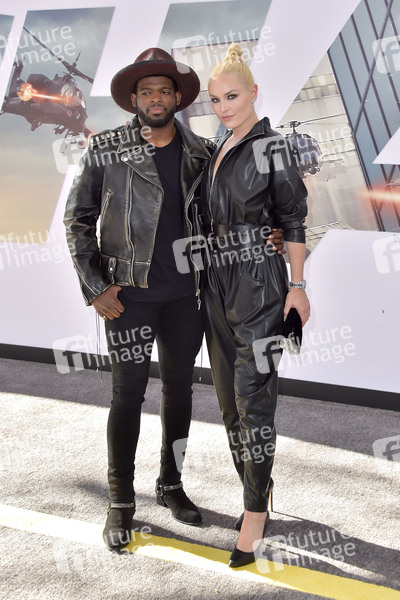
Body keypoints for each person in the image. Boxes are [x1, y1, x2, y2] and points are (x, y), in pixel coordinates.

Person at [63, 46, 286, 552]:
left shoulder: (201, 151)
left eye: (165, 90)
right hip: (128, 297)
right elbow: (77, 220)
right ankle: (121, 500)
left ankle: (170, 484)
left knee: (180, 393)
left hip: (188, 295)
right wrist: (96, 287)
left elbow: (232, 212)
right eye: (147, 91)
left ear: (177, 98)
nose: (156, 98)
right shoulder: (107, 148)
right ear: (134, 100)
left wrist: (270, 233)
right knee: (127, 396)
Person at [201, 43, 310, 568]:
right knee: (228, 404)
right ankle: (257, 489)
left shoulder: (273, 147)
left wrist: (298, 286)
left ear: (253, 93)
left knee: (253, 402)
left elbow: (293, 220)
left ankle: (253, 516)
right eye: (215, 99)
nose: (223, 107)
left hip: (261, 287)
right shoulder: (216, 150)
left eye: (232, 96)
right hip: (214, 287)